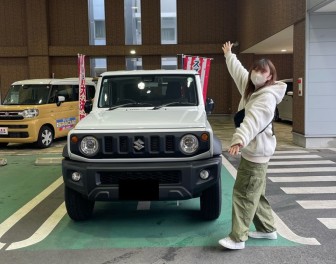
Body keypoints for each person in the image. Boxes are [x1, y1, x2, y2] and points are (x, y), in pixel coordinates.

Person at [218, 41, 287, 250]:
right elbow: (239, 73)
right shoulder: (252, 90)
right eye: (255, 69)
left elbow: (252, 121)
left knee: (244, 194)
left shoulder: (265, 98)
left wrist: (239, 140)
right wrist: (229, 55)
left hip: (256, 152)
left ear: (270, 77)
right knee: (256, 193)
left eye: (262, 71)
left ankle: (238, 238)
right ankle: (267, 229)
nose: (257, 73)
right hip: (256, 151)